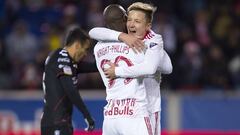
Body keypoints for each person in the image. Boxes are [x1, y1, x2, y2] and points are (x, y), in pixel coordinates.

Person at [89, 2, 173, 135]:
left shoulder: (98, 47)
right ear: (124, 19)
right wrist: (152, 40)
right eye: (129, 19)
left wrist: (123, 36)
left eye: (137, 21)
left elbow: (93, 32)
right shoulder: (140, 45)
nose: (132, 24)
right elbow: (167, 67)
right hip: (139, 111)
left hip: (111, 113)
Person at [41, 27, 95, 135]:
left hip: (60, 122)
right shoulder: (60, 55)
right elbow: (70, 89)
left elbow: (94, 67)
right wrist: (86, 114)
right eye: (85, 49)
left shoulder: (70, 63)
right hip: (56, 122)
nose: (85, 54)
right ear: (77, 45)